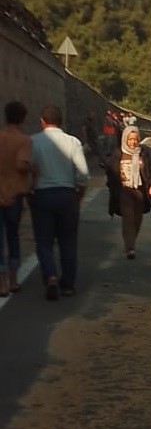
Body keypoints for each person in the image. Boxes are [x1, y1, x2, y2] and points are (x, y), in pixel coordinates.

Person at [29, 105, 89, 300]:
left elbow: (28, 169)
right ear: (61, 121)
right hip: (67, 194)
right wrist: (79, 193)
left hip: (42, 195)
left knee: (44, 241)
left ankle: (51, 276)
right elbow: (83, 174)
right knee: (68, 241)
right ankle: (68, 284)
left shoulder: (33, 142)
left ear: (42, 121)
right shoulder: (73, 142)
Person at [104, 125, 151, 260]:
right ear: (125, 139)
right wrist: (113, 187)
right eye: (130, 139)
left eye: (136, 139)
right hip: (124, 191)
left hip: (140, 191)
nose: (133, 142)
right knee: (128, 218)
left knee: (137, 218)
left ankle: (131, 241)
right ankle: (130, 248)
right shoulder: (118, 153)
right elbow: (111, 172)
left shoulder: (143, 153)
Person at [0, 101, 32, 296]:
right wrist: (32, 169)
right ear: (22, 119)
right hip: (15, 195)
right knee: (13, 237)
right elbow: (21, 164)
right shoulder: (23, 140)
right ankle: (13, 280)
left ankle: (1, 283)